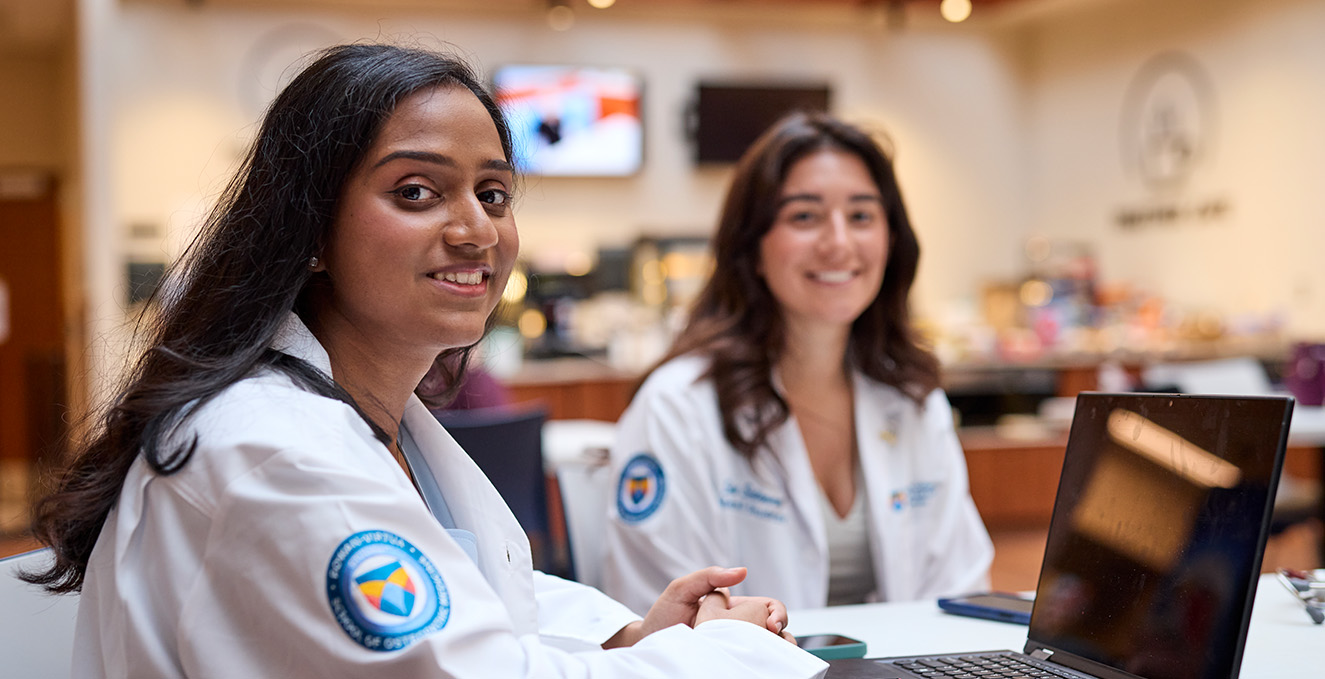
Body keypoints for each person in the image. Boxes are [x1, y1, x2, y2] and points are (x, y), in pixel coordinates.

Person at [23, 44, 826, 679]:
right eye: (415, 191)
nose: (475, 228)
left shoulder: (370, 418)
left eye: (494, 193)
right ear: (307, 232)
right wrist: (717, 651)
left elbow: (474, 592)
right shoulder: (273, 450)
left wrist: (630, 635)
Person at [602, 111, 993, 614]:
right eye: (804, 217)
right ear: (753, 249)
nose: (839, 243)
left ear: (891, 241)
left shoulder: (913, 400)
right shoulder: (677, 409)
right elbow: (657, 620)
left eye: (861, 216)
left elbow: (962, 593)